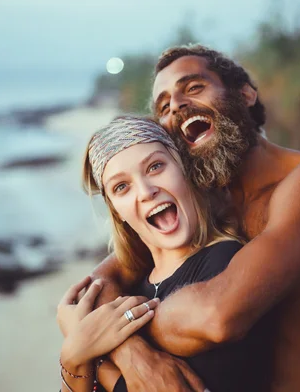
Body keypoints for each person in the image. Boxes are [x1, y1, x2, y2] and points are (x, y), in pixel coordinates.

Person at [83, 45, 300, 392]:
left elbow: (217, 316)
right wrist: (131, 352)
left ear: (245, 94)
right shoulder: (209, 207)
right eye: (163, 106)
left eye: (193, 87)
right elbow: (98, 288)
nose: (176, 105)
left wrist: (107, 335)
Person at [57, 116, 270, 392]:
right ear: (117, 212)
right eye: (122, 187)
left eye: (155, 166)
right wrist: (73, 356)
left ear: (184, 170)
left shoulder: (224, 263)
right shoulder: (130, 288)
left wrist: (85, 352)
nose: (146, 191)